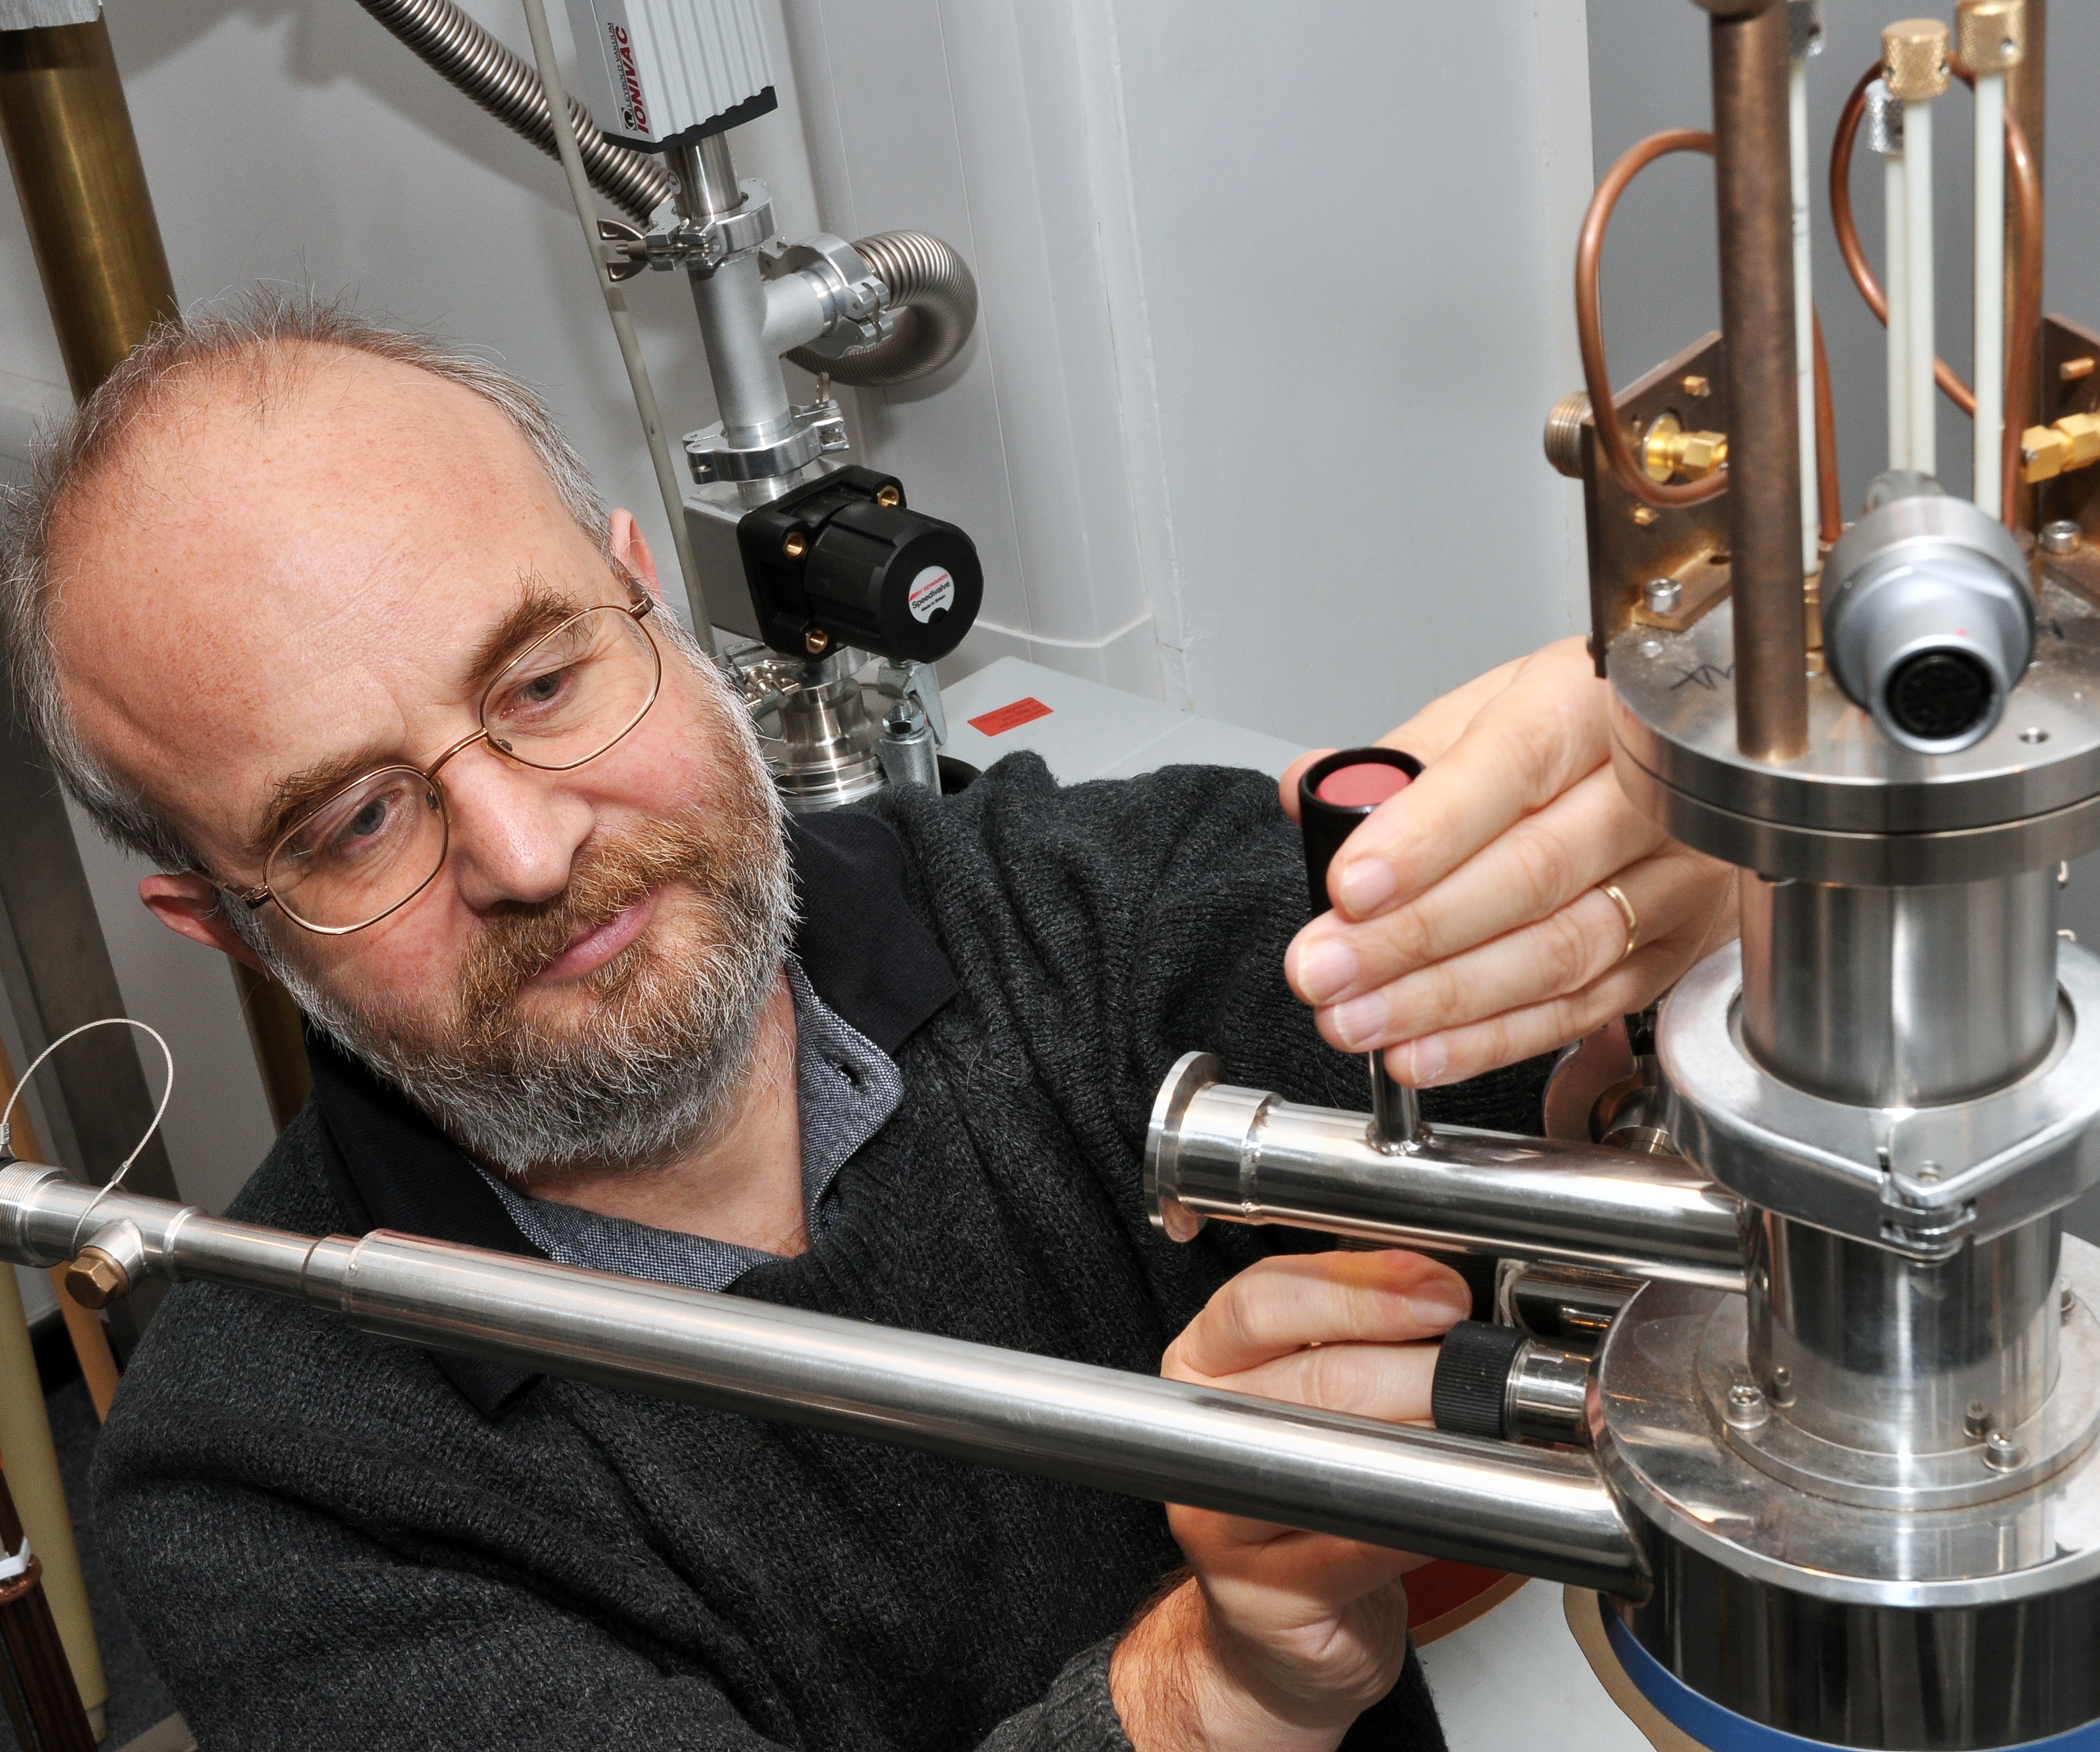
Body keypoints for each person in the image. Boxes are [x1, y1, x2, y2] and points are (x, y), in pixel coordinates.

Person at [0, 297, 1734, 1751]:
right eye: (354, 823)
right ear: (223, 921)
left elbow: (1583, 1091)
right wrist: (1202, 1693)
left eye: (542, 681)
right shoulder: (263, 1481)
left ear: (647, 597)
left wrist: (1704, 894)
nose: (529, 850)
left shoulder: (1065, 909)